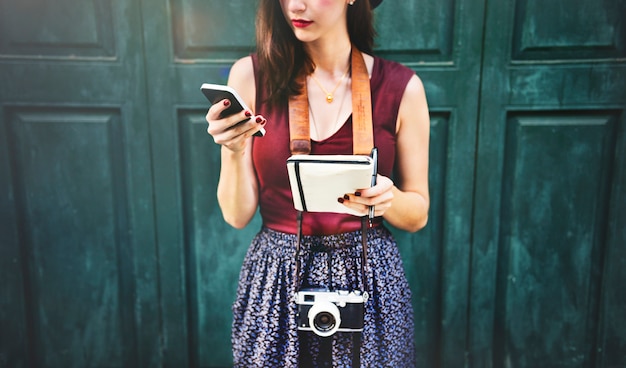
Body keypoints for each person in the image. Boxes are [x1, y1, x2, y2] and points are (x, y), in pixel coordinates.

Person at [205, 0, 430, 366]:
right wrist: (232, 149)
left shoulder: (403, 87)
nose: (296, 4)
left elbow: (418, 213)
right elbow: (236, 215)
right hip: (276, 280)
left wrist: (388, 199)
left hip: (370, 279)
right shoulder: (249, 76)